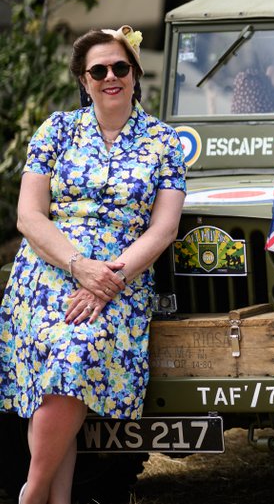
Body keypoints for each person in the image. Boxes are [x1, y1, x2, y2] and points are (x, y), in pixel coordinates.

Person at [0, 25, 187, 504]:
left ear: (135, 73)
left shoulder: (164, 142)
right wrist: (79, 265)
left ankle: (31, 492)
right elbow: (28, 215)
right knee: (63, 371)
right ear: (84, 80)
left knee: (73, 358)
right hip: (46, 274)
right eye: (98, 70)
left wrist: (110, 279)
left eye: (119, 67)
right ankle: (54, 498)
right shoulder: (56, 131)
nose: (110, 76)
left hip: (122, 279)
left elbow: (162, 229)